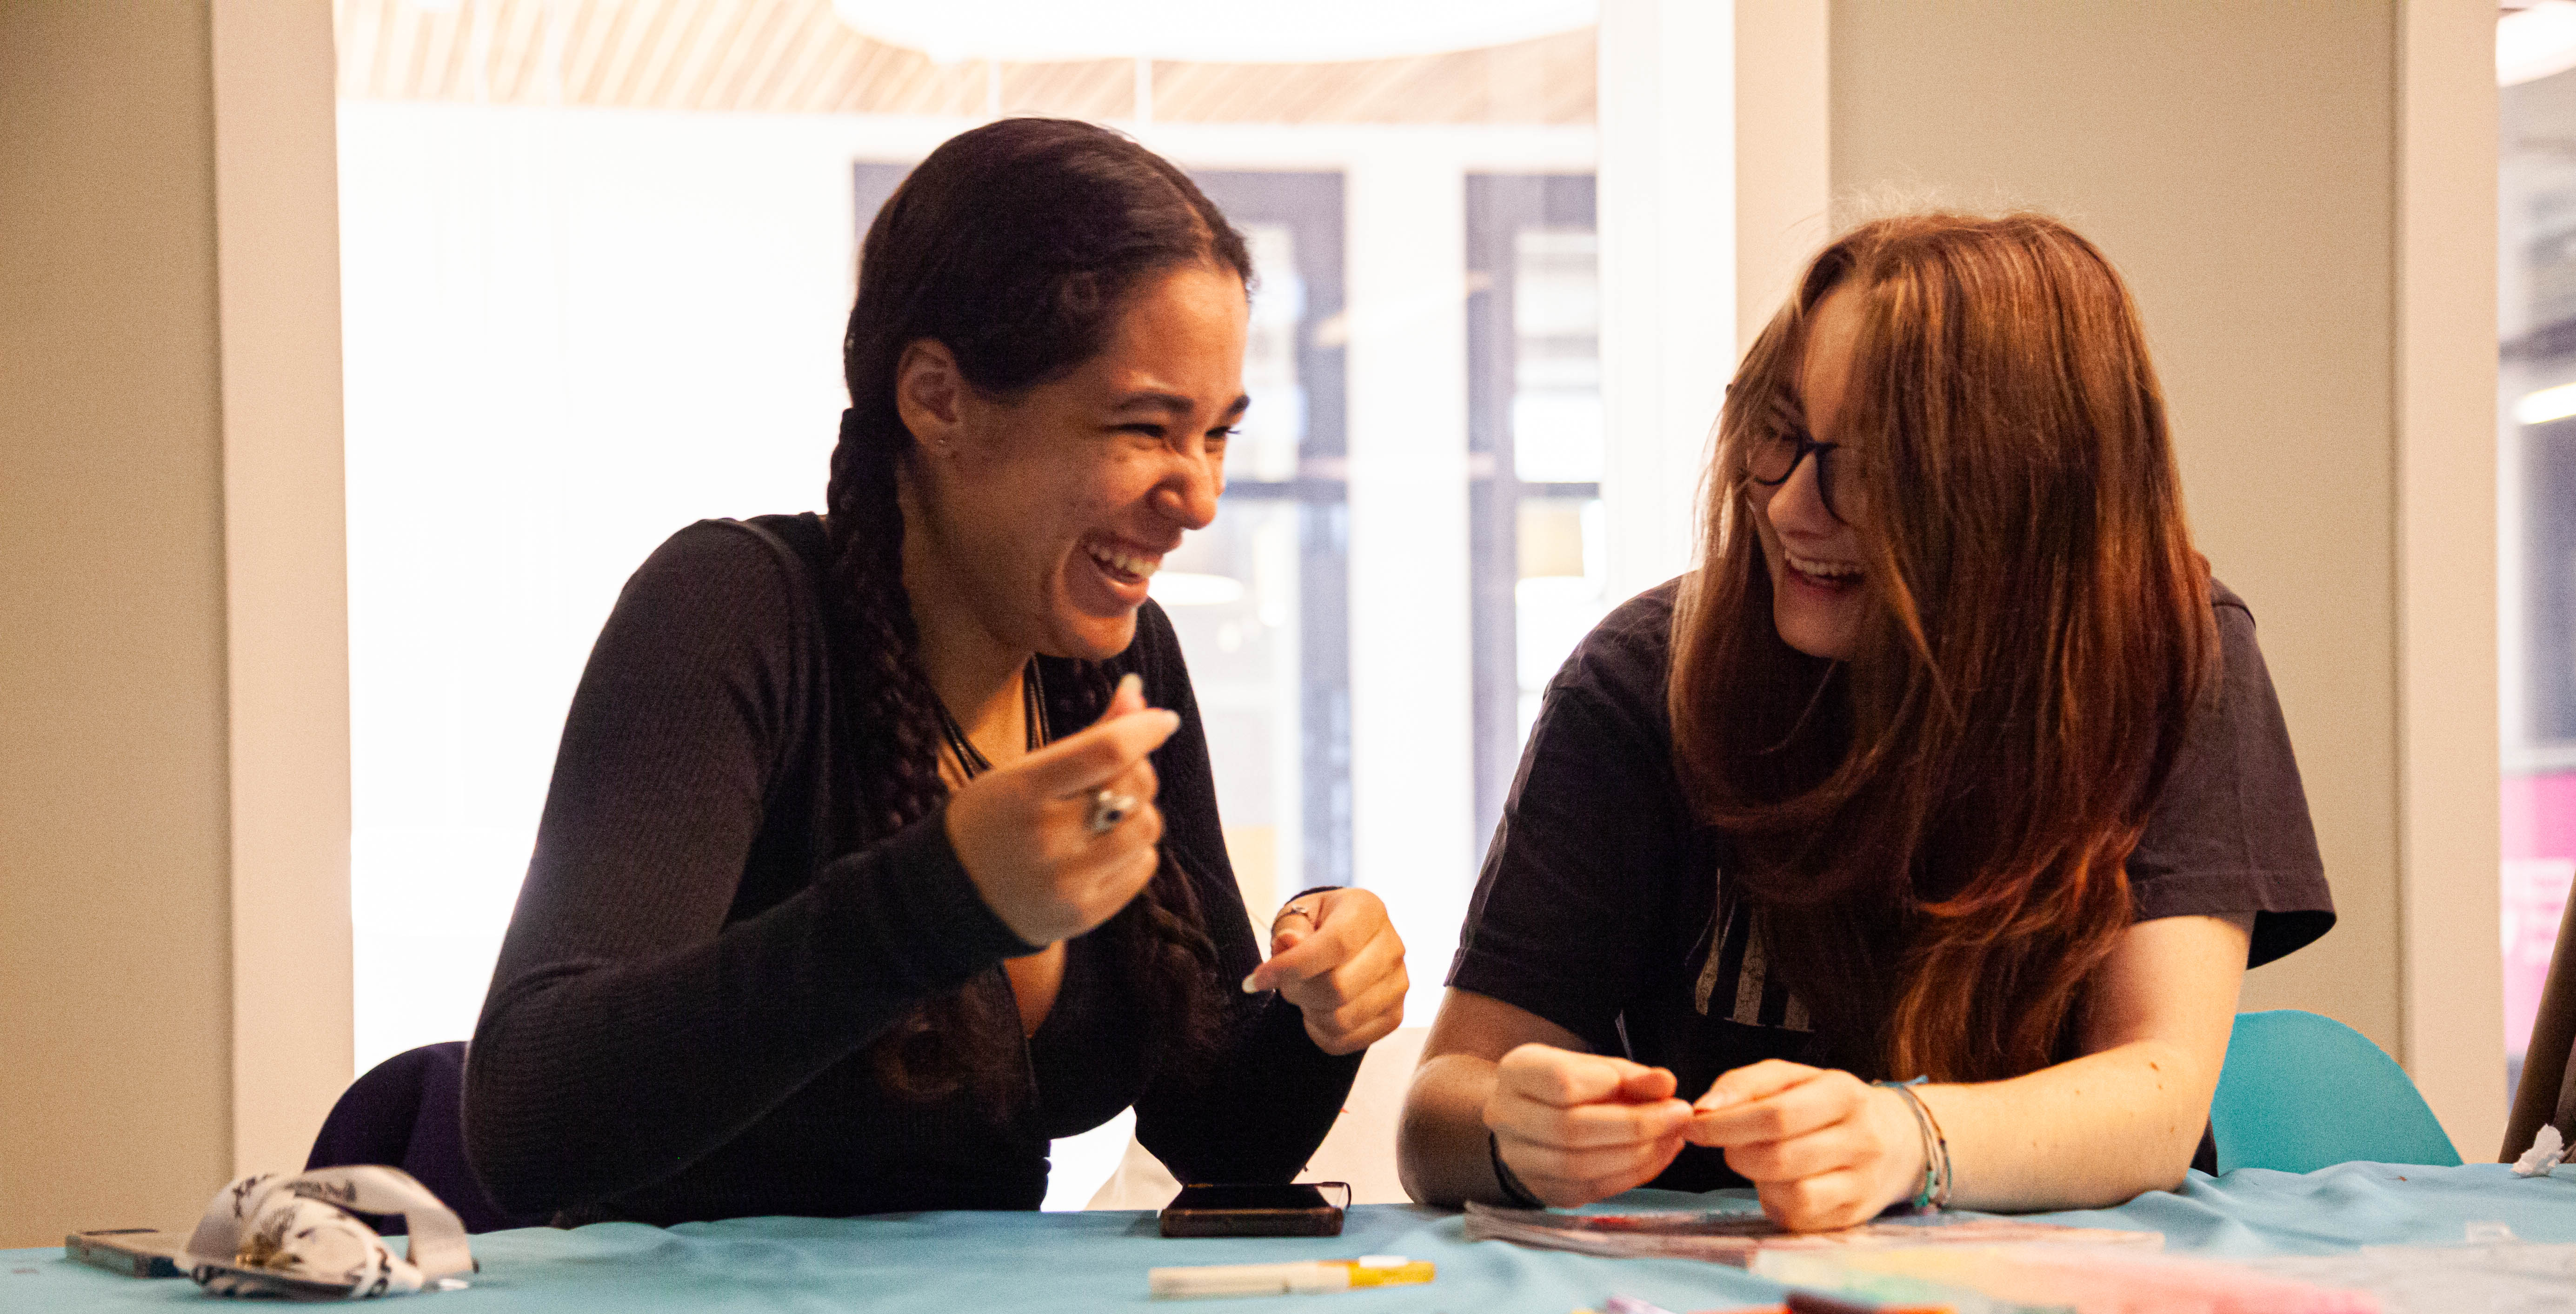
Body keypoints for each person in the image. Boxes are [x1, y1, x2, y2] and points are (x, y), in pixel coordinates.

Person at [464, 119, 1407, 1225]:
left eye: (1217, 437)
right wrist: (939, 898)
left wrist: (1317, 1005)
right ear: (938, 399)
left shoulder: (1114, 663)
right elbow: (530, 1116)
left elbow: (1219, 1136)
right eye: (1147, 427)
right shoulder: (735, 610)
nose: (1201, 499)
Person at [1400, 210, 2332, 1230]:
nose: (1797, 505)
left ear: (2029, 494)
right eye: (1781, 436)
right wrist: (1510, 1127)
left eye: (1877, 465)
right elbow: (1435, 1116)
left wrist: (1904, 1139)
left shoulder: (2170, 650)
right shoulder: (1642, 680)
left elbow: (2154, 1094)